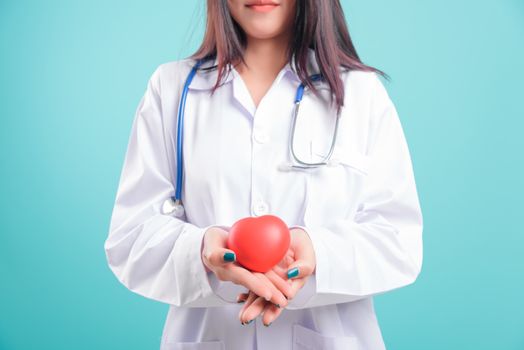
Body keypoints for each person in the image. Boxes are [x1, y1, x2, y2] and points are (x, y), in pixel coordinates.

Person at [104, 0, 424, 349]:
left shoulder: (361, 93)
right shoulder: (172, 89)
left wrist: (316, 253)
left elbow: (399, 241)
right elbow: (130, 239)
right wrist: (203, 252)